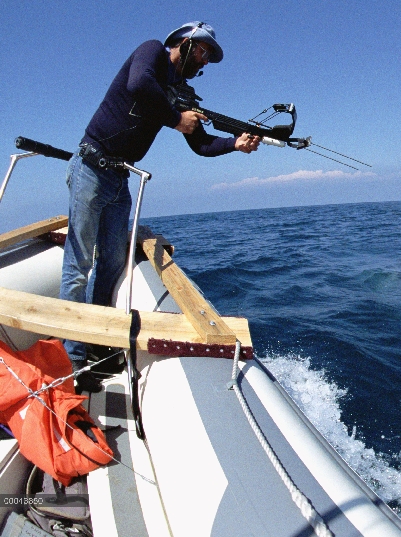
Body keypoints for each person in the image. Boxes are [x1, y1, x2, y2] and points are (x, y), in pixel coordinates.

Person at [60, 21, 261, 393]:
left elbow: (201, 145)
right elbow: (139, 84)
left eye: (207, 57)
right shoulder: (151, 52)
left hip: (119, 180)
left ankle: (95, 344)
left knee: (111, 264)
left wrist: (235, 143)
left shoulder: (180, 94)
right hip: (90, 167)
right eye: (201, 51)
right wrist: (175, 118)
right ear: (184, 43)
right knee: (78, 265)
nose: (203, 60)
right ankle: (70, 361)